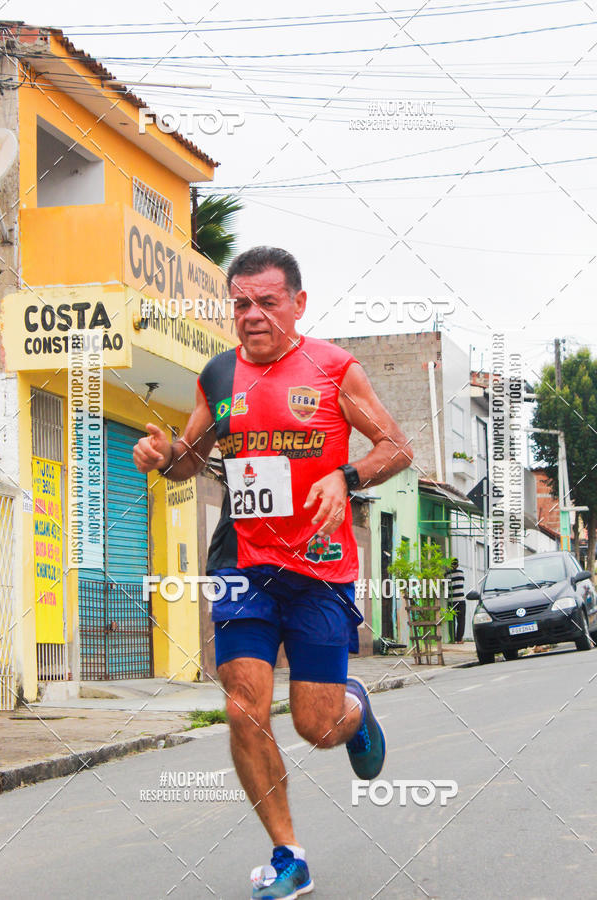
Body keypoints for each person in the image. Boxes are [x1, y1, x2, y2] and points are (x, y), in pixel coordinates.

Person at [133, 247, 413, 899]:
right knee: (242, 708)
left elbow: (396, 447)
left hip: (318, 568)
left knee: (317, 725)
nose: (252, 314)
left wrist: (346, 477)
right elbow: (189, 459)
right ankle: (289, 855)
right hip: (242, 562)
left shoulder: (335, 369)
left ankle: (355, 711)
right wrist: (163, 454)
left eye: (267, 301)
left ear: (298, 304)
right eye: (241, 303)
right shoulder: (218, 374)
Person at [447, 558, 466, 643]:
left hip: (450, 600)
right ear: (457, 565)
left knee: (451, 620)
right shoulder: (461, 573)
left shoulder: (447, 575)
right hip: (460, 600)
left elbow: (444, 585)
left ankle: (452, 639)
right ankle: (459, 639)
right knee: (461, 620)